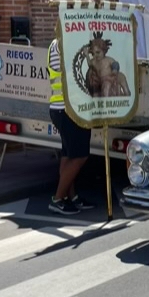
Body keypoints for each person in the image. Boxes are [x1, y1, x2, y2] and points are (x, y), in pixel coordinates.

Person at [47, 38, 94, 215]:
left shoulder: (55, 43)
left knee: (68, 154)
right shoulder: (66, 42)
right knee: (80, 155)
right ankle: (58, 199)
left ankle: (70, 196)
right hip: (70, 109)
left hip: (60, 108)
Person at [84, 31, 130, 98]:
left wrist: (114, 70)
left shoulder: (108, 59)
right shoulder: (94, 61)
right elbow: (89, 64)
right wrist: (87, 55)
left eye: (98, 52)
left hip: (110, 78)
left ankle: (127, 95)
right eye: (93, 54)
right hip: (99, 81)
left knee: (106, 88)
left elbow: (115, 63)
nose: (96, 56)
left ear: (104, 50)